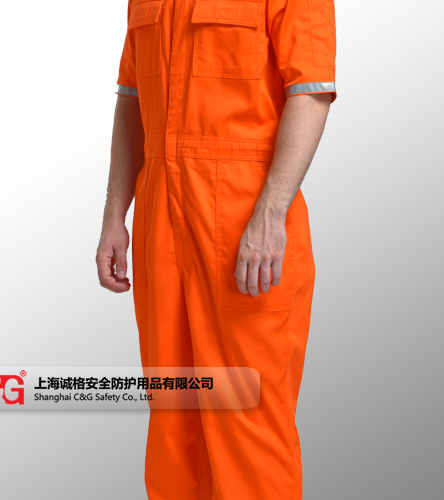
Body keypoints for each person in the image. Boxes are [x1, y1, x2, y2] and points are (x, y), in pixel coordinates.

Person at [97, 0, 336, 498]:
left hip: (243, 219)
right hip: (160, 219)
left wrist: (271, 213)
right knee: (173, 416)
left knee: (247, 417)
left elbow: (311, 92)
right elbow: (131, 99)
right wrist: (114, 215)